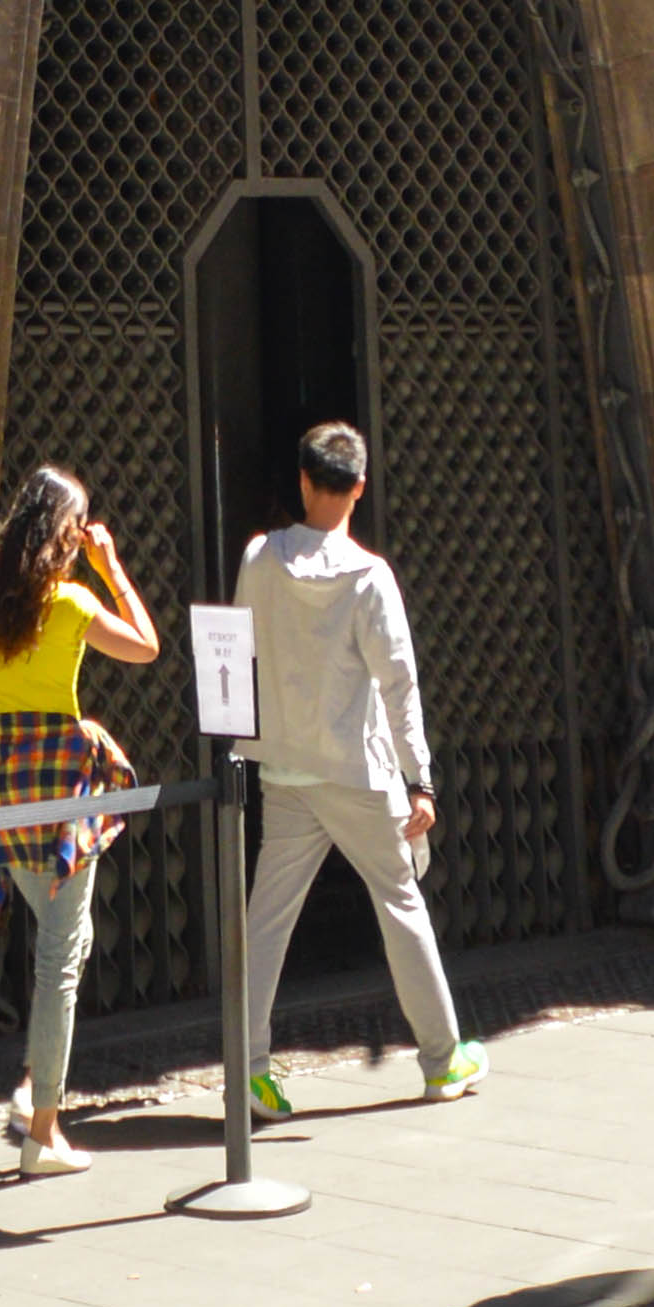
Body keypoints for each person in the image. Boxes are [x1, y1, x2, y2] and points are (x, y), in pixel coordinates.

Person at [234, 421, 488, 1118]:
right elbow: (398, 684)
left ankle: (247, 1072)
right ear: (360, 489)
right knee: (401, 905)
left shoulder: (259, 559)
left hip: (284, 769)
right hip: (357, 772)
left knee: (266, 921)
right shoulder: (370, 577)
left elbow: (238, 647)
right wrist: (420, 778)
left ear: (304, 482)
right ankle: (442, 1060)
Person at [0, 463, 159, 1174]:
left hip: (12, 783)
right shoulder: (71, 601)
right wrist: (112, 567)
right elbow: (146, 646)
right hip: (67, 783)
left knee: (65, 940)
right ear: (67, 533)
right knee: (59, 962)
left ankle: (29, 1090)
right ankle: (42, 1131)